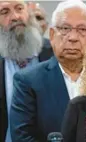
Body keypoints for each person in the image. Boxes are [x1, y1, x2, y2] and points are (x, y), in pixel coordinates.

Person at [10, 0, 86, 141]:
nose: (73, 37)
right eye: (65, 29)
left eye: (82, 30)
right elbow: (21, 137)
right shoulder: (28, 81)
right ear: (51, 35)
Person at [0, 0, 53, 141]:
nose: (15, 17)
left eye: (19, 8)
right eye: (4, 12)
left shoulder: (55, 54)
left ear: (28, 11)